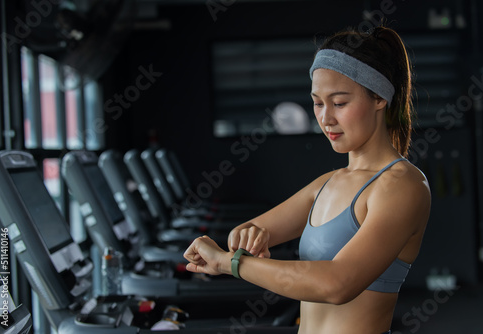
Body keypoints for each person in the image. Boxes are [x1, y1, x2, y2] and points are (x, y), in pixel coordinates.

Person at [183, 26, 431, 334]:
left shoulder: (403, 186)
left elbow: (337, 284)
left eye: (339, 103)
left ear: (379, 98)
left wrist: (228, 263)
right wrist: (248, 238)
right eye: (317, 102)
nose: (325, 118)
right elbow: (242, 234)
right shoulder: (326, 184)